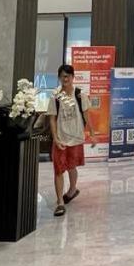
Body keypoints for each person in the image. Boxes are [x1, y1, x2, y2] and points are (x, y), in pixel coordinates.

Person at [49, 63, 93, 216]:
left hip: (75, 137)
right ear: (59, 78)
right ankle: (60, 202)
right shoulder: (55, 96)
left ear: (73, 77)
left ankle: (72, 190)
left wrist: (92, 133)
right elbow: (52, 119)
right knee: (58, 169)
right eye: (62, 76)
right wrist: (55, 138)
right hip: (61, 139)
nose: (65, 79)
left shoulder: (80, 94)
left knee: (72, 166)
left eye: (67, 76)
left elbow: (86, 115)